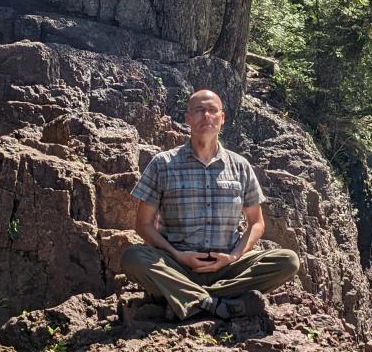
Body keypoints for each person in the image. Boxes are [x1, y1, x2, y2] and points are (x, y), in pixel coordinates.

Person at [120, 89, 299, 322]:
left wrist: (233, 257)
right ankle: (219, 303)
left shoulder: (240, 166)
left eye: (212, 110)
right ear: (187, 118)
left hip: (228, 266)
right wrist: (178, 255)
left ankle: (189, 299)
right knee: (133, 257)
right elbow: (143, 225)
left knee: (287, 261)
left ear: (222, 118)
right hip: (178, 265)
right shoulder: (162, 164)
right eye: (199, 111)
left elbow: (256, 223)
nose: (206, 116)